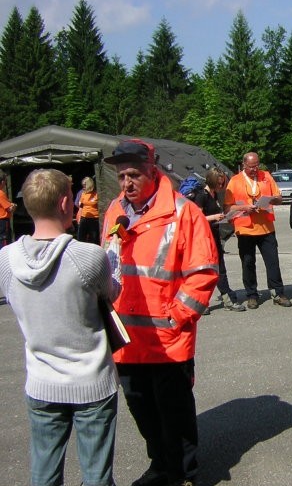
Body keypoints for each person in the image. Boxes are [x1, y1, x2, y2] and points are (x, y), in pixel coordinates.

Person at [102, 139, 219, 486]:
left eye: (134, 174)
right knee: (143, 412)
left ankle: (184, 473)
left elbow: (204, 271)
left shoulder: (185, 213)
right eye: (122, 176)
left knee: (175, 415)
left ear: (153, 172)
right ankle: (160, 465)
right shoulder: (114, 211)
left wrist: (176, 317)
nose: (127, 183)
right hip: (126, 339)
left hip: (167, 340)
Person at [0, 168, 122, 486]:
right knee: (96, 475)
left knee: (44, 472)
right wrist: (116, 263)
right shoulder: (88, 256)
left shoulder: (6, 259)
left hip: (41, 382)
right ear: (68, 202)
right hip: (91, 383)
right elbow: (111, 292)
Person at [224, 152, 292, 309]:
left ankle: (278, 293)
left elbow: (279, 198)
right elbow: (228, 208)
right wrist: (244, 207)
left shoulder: (266, 176)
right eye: (251, 167)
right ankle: (252, 295)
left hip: (266, 227)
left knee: (273, 262)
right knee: (248, 263)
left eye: (257, 165)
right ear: (244, 165)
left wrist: (272, 199)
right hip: (245, 228)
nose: (255, 169)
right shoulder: (234, 181)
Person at [192, 168, 246, 312]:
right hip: (203, 238)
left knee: (220, 269)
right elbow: (195, 218)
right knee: (207, 271)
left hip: (214, 235)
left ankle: (225, 298)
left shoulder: (213, 194)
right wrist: (214, 217)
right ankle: (202, 302)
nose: (221, 187)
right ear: (212, 181)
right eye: (219, 183)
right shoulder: (201, 195)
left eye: (222, 184)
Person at [77, 176, 100, 244]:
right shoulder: (83, 194)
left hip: (94, 219)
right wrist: (79, 217)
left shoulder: (97, 194)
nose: (83, 187)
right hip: (84, 217)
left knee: (94, 238)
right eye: (83, 185)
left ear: (89, 185)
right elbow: (81, 206)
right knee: (80, 238)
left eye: (85, 185)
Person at [0, 169, 16, 247]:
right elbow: (9, 208)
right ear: (2, 182)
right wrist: (14, 206)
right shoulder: (0, 193)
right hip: (2, 221)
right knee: (4, 239)